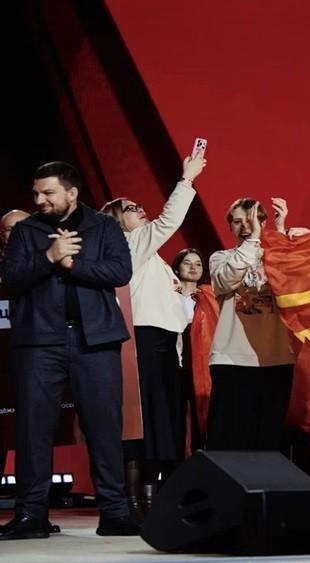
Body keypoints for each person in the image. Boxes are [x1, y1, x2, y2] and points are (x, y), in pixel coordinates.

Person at [0, 161, 138, 539]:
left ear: (72, 193)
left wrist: (72, 263)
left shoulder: (104, 226)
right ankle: (31, 515)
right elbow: (12, 278)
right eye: (36, 193)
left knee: (104, 427)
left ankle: (114, 512)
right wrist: (48, 256)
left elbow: (119, 272)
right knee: (33, 429)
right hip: (39, 342)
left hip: (95, 340)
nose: (39, 200)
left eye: (48, 193)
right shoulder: (26, 231)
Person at [100, 152, 206, 516]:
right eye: (131, 208)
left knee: (164, 424)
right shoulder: (130, 244)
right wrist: (187, 180)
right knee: (144, 424)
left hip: (165, 345)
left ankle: (155, 499)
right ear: (117, 221)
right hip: (145, 342)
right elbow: (167, 221)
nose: (140, 210)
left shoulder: (151, 258)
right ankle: (135, 503)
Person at [207, 197, 295, 451]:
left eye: (252, 221)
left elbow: (292, 281)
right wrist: (255, 240)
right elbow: (226, 280)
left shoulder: (278, 256)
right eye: (238, 222)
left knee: (268, 443)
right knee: (230, 442)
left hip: (275, 359)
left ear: (264, 222)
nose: (245, 227)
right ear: (230, 226)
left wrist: (280, 233)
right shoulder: (221, 258)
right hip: (232, 359)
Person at [171, 248, 213, 453]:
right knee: (175, 416)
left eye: (198, 264)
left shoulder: (209, 297)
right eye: (187, 263)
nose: (193, 267)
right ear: (177, 268)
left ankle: (200, 456)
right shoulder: (168, 297)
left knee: (201, 415)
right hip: (175, 364)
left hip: (201, 364)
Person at [0, 209, 30, 488]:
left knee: (34, 430)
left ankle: (32, 498)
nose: (16, 232)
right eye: (10, 229)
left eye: (22, 226)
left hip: (33, 358)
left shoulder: (52, 264)